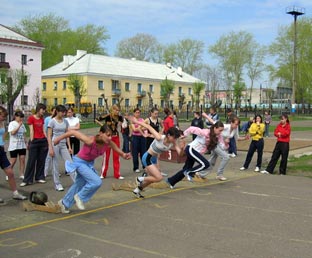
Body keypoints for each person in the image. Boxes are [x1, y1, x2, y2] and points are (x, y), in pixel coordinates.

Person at [54, 125, 131, 213]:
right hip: (79, 163)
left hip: (88, 164)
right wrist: (58, 139)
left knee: (79, 184)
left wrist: (124, 155)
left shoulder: (108, 143)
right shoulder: (90, 140)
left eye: (111, 135)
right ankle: (80, 197)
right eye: (108, 135)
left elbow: (116, 149)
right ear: (101, 134)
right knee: (96, 181)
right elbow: (73, 132)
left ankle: (64, 204)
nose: (110, 137)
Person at [127, 116, 184, 198]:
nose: (175, 139)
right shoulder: (159, 137)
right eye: (174, 137)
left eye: (176, 138)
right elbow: (148, 126)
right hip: (147, 157)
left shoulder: (174, 142)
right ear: (168, 135)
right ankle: (140, 179)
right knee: (159, 177)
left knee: (152, 179)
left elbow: (180, 154)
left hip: (154, 159)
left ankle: (137, 190)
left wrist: (182, 149)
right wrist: (136, 121)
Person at [166, 121, 225, 188]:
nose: (220, 132)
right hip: (191, 149)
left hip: (196, 152)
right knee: (205, 164)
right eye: (220, 130)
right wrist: (184, 135)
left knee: (186, 169)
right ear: (215, 128)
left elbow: (222, 144)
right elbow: (191, 129)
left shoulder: (219, 136)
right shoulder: (205, 132)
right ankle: (190, 172)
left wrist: (225, 145)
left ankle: (171, 181)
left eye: (222, 131)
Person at [199, 115, 247, 181]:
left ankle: (200, 173)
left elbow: (237, 138)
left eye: (238, 124)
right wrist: (205, 115)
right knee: (226, 157)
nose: (236, 126)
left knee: (212, 161)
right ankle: (219, 174)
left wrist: (245, 138)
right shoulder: (226, 127)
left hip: (222, 145)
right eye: (235, 124)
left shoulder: (235, 129)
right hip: (216, 143)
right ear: (231, 123)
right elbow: (214, 123)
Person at [0, 106, 27, 201]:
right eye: (3, 116)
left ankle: (15, 193)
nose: (4, 118)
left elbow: (3, 136)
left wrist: (3, 146)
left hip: (1, 150)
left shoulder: (2, 123)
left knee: (10, 173)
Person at [20, 103, 48, 187]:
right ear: (38, 109)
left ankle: (39, 177)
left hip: (42, 141)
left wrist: (47, 140)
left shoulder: (42, 118)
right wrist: (31, 142)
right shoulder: (31, 118)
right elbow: (31, 131)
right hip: (35, 141)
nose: (44, 111)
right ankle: (27, 179)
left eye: (44, 110)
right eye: (42, 109)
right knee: (31, 161)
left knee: (41, 160)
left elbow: (43, 130)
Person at [47, 105, 73, 191]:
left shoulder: (65, 121)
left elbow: (67, 134)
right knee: (56, 164)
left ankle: (76, 181)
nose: (63, 114)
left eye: (64, 112)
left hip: (63, 144)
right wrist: (50, 148)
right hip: (55, 144)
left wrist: (69, 147)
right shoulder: (52, 121)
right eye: (62, 112)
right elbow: (49, 135)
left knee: (70, 162)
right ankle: (57, 184)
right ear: (57, 112)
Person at [96, 105, 124, 179]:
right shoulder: (108, 116)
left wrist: (119, 123)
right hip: (108, 138)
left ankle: (117, 174)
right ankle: (103, 173)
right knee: (106, 156)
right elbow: (97, 119)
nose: (117, 112)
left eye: (118, 110)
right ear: (113, 110)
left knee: (116, 156)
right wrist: (103, 126)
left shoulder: (119, 117)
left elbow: (122, 123)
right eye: (116, 110)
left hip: (115, 136)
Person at [8, 111, 27, 180]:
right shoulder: (12, 124)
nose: (20, 119)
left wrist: (26, 143)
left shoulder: (23, 125)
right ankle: (8, 173)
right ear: (16, 116)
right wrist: (19, 125)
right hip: (14, 145)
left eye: (22, 117)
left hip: (22, 145)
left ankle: (22, 174)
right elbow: (12, 132)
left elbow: (24, 134)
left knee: (22, 159)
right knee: (13, 160)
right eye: (19, 117)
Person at [130, 108, 146, 173]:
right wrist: (140, 128)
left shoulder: (142, 120)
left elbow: (145, 127)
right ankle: (136, 167)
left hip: (142, 137)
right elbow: (134, 129)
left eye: (139, 112)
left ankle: (145, 166)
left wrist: (139, 128)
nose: (138, 114)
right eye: (136, 112)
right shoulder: (132, 120)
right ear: (134, 113)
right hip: (135, 137)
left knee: (143, 152)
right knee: (135, 153)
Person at [43, 106, 56, 177]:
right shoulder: (48, 119)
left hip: (55, 139)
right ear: (51, 111)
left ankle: (55, 171)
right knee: (48, 156)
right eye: (54, 111)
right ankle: (45, 171)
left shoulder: (58, 119)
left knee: (55, 156)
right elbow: (45, 129)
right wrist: (46, 138)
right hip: (49, 138)